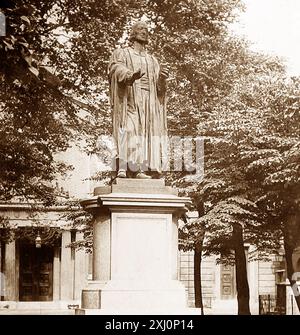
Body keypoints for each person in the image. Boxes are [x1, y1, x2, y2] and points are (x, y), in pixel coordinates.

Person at [108, 21, 168, 179]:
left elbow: (159, 89)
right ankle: (122, 166)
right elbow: (115, 68)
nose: (145, 32)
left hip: (149, 102)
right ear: (133, 33)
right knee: (127, 129)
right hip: (130, 98)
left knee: (144, 134)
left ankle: (140, 169)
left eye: (147, 30)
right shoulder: (122, 53)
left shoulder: (152, 60)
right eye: (141, 29)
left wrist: (162, 79)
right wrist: (130, 75)